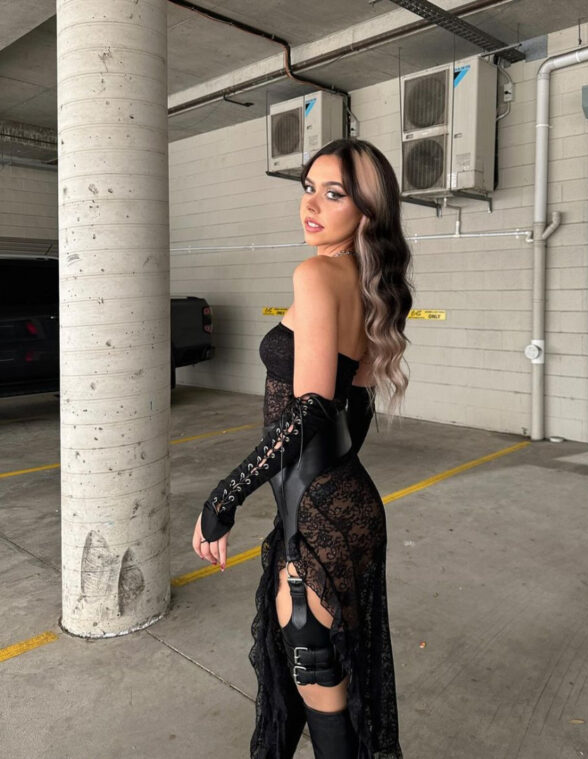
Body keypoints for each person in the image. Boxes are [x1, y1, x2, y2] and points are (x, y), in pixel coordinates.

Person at [192, 138, 414, 759]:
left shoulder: (316, 276)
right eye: (308, 188)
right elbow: (351, 409)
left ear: (367, 211)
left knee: (321, 685)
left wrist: (223, 499)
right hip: (344, 504)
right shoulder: (366, 284)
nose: (310, 205)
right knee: (327, 674)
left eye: (333, 194)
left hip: (317, 514)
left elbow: (311, 411)